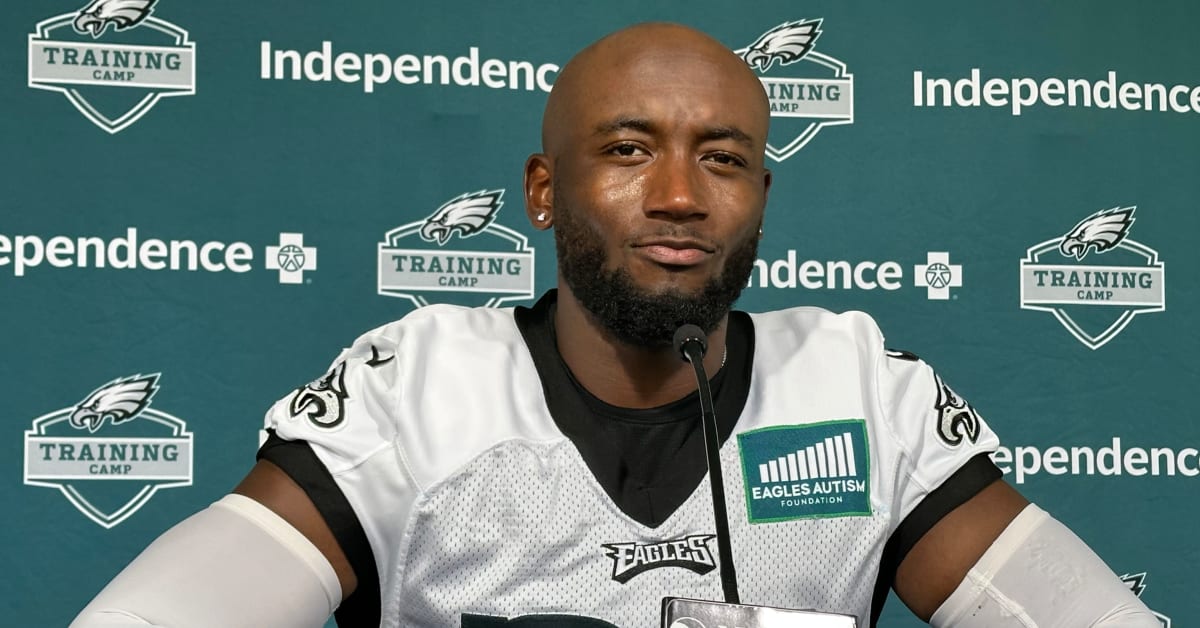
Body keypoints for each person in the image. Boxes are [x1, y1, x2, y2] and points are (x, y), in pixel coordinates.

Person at [72, 23, 1158, 628]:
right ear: (543, 192)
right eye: (630, 150)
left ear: (762, 199)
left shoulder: (860, 391)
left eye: (723, 158)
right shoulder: (419, 389)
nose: (681, 194)